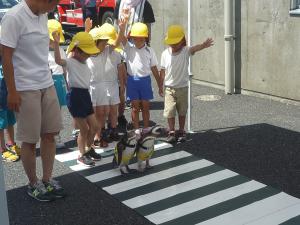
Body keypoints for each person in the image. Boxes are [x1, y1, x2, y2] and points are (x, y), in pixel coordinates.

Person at [1, 0, 65, 202]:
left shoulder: (42, 14)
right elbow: (6, 56)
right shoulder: (14, 16)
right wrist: (12, 91)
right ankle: (32, 183)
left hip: (46, 82)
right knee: (29, 139)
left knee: (50, 134)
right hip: (25, 87)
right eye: (54, 4)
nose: (54, 9)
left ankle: (46, 179)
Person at [53, 31, 102, 167]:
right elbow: (58, 60)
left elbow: (81, 40)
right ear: (77, 52)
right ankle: (81, 155)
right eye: (86, 53)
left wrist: (87, 31)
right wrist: (57, 43)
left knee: (95, 126)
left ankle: (88, 148)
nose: (88, 55)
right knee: (84, 129)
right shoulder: (70, 61)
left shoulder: (84, 61)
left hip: (85, 95)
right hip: (75, 96)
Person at [160, 25, 214, 143]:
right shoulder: (165, 54)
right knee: (170, 111)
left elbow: (194, 48)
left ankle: (181, 130)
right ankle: (172, 131)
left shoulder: (185, 51)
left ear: (182, 41)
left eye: (176, 43)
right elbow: (162, 71)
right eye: (171, 43)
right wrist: (160, 85)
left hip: (183, 88)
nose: (173, 45)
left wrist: (203, 46)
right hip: (169, 88)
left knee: (182, 111)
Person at [85, 19, 126, 147]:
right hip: (91, 87)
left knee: (103, 113)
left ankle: (100, 135)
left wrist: (122, 28)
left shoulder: (105, 52)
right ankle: (93, 138)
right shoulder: (86, 53)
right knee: (94, 114)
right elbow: (80, 43)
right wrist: (86, 30)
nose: (106, 44)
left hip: (102, 85)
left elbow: (117, 42)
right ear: (95, 42)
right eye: (103, 42)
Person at [120, 21, 163, 130]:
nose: (138, 41)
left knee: (145, 107)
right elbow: (121, 37)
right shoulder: (129, 48)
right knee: (135, 108)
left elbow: (154, 68)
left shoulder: (150, 50)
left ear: (146, 38)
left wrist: (160, 84)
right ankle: (136, 129)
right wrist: (122, 26)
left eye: (141, 39)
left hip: (145, 81)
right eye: (135, 38)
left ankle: (146, 128)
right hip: (132, 81)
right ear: (132, 38)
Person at [48, 19, 68, 149]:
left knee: (58, 111)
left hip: (59, 80)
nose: (54, 41)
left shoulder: (61, 49)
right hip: (47, 82)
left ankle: (56, 135)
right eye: (51, 38)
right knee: (48, 111)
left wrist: (67, 82)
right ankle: (49, 135)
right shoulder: (40, 50)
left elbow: (65, 68)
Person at [0, 40, 20, 162]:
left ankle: (11, 143)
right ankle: (2, 149)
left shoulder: (7, 57)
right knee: (1, 123)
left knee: (10, 120)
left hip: (8, 93)